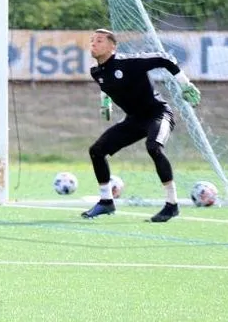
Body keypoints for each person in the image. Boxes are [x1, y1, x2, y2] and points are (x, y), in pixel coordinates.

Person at [82, 28, 201, 223]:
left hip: (158, 113)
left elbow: (165, 58)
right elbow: (106, 85)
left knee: (153, 147)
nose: (94, 44)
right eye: (92, 40)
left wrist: (185, 84)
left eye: (100, 40)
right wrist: (105, 103)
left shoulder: (128, 62)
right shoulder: (96, 71)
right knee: (96, 151)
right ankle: (106, 201)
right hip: (134, 120)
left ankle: (172, 205)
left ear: (112, 47)